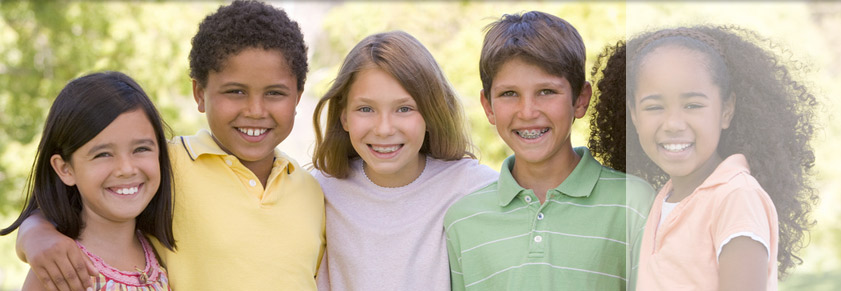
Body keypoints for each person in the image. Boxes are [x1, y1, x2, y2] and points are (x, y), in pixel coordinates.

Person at [12, 1, 325, 290]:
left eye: (274, 93)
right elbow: (83, 195)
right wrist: (35, 234)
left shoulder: (313, 192)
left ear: (298, 98)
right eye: (235, 92)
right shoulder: (168, 164)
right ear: (199, 93)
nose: (255, 110)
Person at [588, 26, 818, 290]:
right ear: (634, 116)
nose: (673, 124)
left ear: (726, 110)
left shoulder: (736, 197)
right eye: (654, 107)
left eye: (693, 105)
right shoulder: (661, 200)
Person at [444, 11, 655, 290]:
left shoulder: (634, 203)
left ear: (580, 100)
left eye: (546, 91)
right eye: (509, 94)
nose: (527, 112)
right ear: (488, 107)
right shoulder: (463, 219)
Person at [310, 30, 498, 290]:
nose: (384, 129)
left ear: (431, 114)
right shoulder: (319, 191)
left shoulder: (473, 186)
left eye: (404, 109)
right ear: (344, 117)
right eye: (366, 109)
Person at [1, 71, 175, 290]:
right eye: (103, 154)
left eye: (140, 149)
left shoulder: (158, 250)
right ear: (65, 169)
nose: (126, 169)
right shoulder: (62, 269)